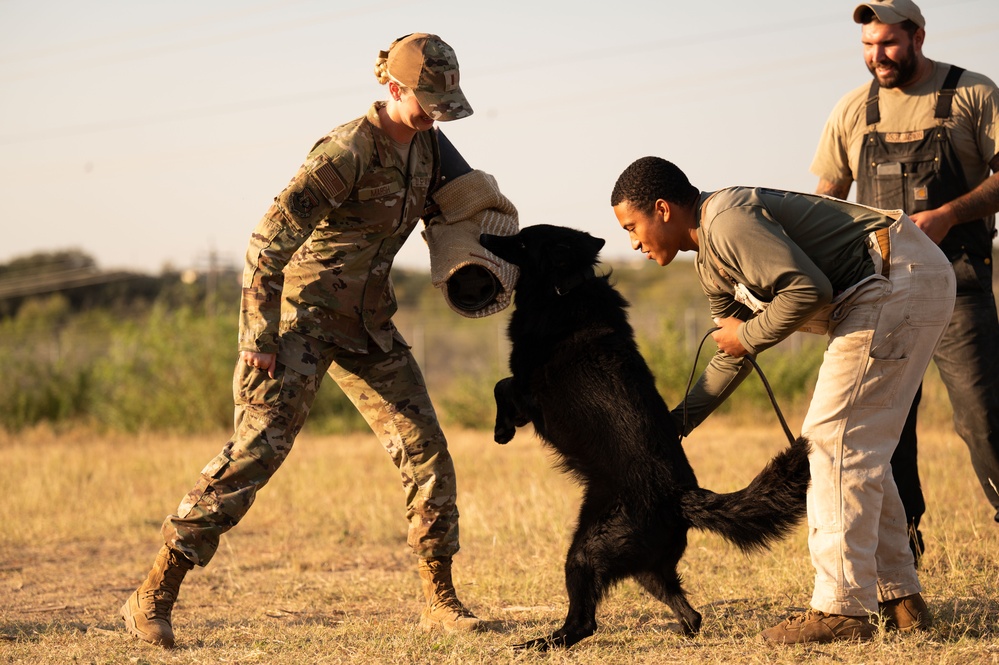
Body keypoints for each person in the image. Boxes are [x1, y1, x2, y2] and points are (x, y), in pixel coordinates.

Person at [120, 32, 517, 648]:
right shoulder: (347, 151)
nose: (437, 115)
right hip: (299, 325)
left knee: (427, 449)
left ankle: (439, 598)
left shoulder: (429, 148)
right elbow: (264, 244)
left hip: (368, 328)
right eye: (427, 102)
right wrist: (258, 334)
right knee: (256, 454)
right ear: (392, 87)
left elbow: (469, 204)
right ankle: (155, 591)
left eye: (445, 104)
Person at [611, 156, 956, 643]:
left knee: (831, 445)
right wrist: (672, 426)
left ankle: (841, 609)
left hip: (898, 275)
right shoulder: (711, 261)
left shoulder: (726, 220)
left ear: (662, 209)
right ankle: (900, 601)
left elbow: (807, 291)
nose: (633, 244)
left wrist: (749, 335)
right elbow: (730, 354)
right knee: (851, 448)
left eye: (632, 227)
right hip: (885, 288)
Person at [811, 0, 999, 564]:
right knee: (884, 430)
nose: (877, 57)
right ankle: (902, 555)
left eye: (888, 43)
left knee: (985, 422)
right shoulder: (852, 108)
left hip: (959, 287)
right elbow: (825, 199)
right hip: (880, 293)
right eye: (868, 46)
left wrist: (950, 215)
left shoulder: (972, 94)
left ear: (918, 35)